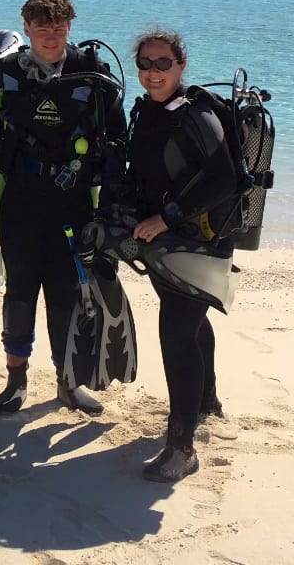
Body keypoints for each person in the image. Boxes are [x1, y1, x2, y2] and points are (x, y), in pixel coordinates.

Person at [0, 0, 126, 415]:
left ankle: (67, 382)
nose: (50, 36)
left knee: (68, 292)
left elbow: (116, 145)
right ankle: (16, 381)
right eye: (41, 28)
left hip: (75, 200)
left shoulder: (91, 73)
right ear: (26, 28)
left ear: (70, 27)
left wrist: (109, 207)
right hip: (17, 196)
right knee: (20, 289)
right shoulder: (3, 73)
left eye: (58, 27)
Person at [122, 29, 237, 483]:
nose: (153, 72)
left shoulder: (197, 115)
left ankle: (181, 448)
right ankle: (207, 400)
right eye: (146, 64)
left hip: (202, 239)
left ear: (181, 65)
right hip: (167, 239)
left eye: (163, 63)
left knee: (176, 333)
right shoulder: (146, 111)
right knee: (192, 323)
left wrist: (167, 219)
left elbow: (225, 179)